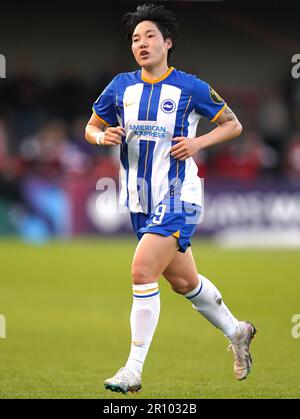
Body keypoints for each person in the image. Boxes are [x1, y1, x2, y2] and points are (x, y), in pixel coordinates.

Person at [85, 3, 256, 394]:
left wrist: (198, 142)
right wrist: (102, 137)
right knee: (184, 282)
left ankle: (132, 370)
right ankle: (238, 331)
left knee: (141, 271)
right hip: (140, 201)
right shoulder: (120, 87)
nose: (141, 44)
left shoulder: (190, 87)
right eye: (134, 39)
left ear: (167, 42)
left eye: (149, 36)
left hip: (179, 196)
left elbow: (233, 124)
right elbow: (91, 127)